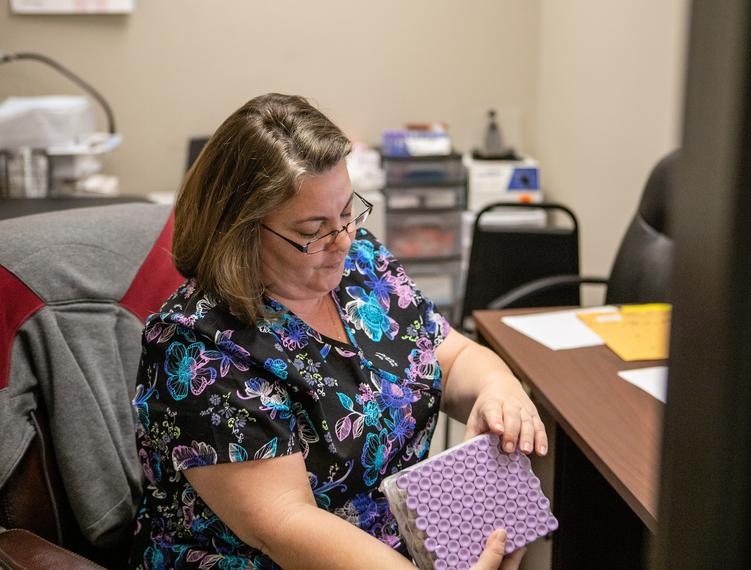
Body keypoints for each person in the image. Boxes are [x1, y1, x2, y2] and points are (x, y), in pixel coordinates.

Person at [128, 93, 548, 569]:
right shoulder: (197, 346)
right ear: (239, 231)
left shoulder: (359, 262)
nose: (344, 239)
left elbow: (447, 355)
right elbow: (286, 525)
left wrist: (498, 387)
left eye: (348, 211)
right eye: (315, 228)